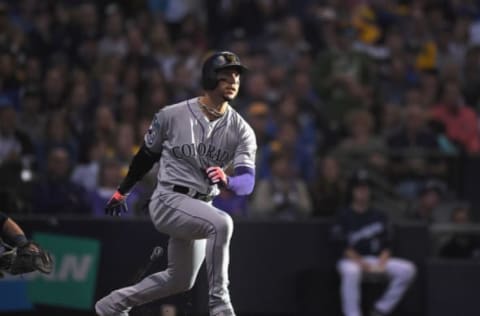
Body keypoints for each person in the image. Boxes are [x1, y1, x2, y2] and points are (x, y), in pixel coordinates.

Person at [95, 51, 256, 316]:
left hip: (201, 206)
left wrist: (228, 180)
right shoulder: (172, 115)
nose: (233, 82)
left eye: (236, 76)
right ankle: (220, 305)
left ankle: (113, 304)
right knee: (222, 223)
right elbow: (145, 157)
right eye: (225, 76)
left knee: (180, 280)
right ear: (208, 77)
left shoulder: (241, 130)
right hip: (169, 199)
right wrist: (122, 192)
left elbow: (247, 182)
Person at [332, 169, 416, 316]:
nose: (362, 192)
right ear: (352, 191)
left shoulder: (379, 215)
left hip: (375, 260)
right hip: (351, 260)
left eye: (365, 189)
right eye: (359, 189)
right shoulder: (343, 215)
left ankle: (380, 309)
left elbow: (388, 243)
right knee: (351, 272)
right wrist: (361, 262)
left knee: (407, 269)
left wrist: (383, 261)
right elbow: (341, 245)